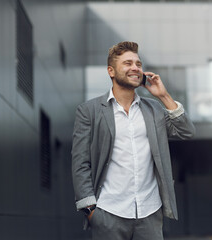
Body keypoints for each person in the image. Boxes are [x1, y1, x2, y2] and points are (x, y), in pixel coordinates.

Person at [71, 41, 195, 240]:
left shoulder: (153, 109)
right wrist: (90, 209)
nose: (135, 68)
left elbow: (186, 131)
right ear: (111, 71)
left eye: (138, 64)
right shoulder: (89, 111)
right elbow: (80, 162)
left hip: (149, 212)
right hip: (108, 213)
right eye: (128, 63)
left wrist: (163, 96)